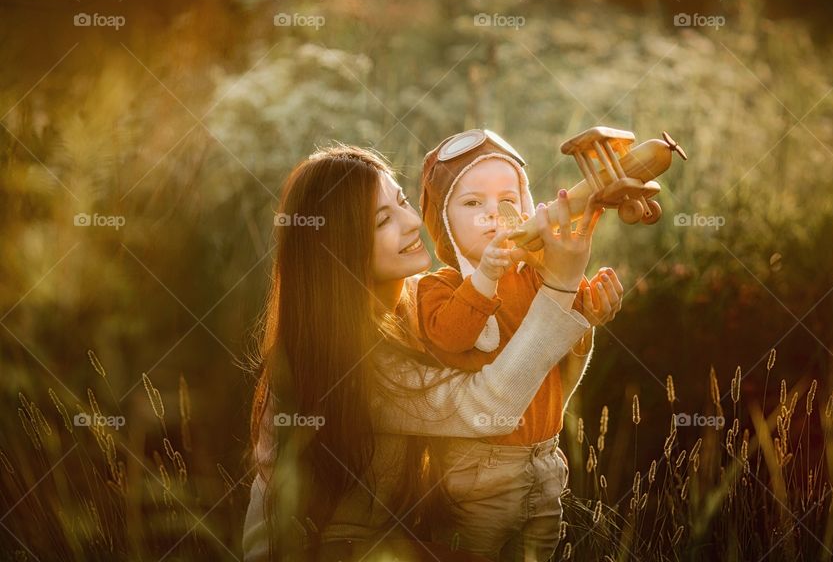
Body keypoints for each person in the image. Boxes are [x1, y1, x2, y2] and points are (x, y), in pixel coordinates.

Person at [242, 144, 621, 561]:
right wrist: (561, 286)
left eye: (403, 201)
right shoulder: (352, 359)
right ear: (338, 251)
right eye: (382, 220)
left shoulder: (426, 305)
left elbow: (533, 391)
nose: (410, 223)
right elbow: (491, 406)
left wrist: (578, 316)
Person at [415, 129, 622, 560]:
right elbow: (451, 336)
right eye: (473, 204)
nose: (494, 214)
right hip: (479, 473)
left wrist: (593, 305)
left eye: (508, 201)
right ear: (443, 221)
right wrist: (486, 276)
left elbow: (564, 320)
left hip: (545, 460)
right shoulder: (441, 285)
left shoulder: (534, 274)